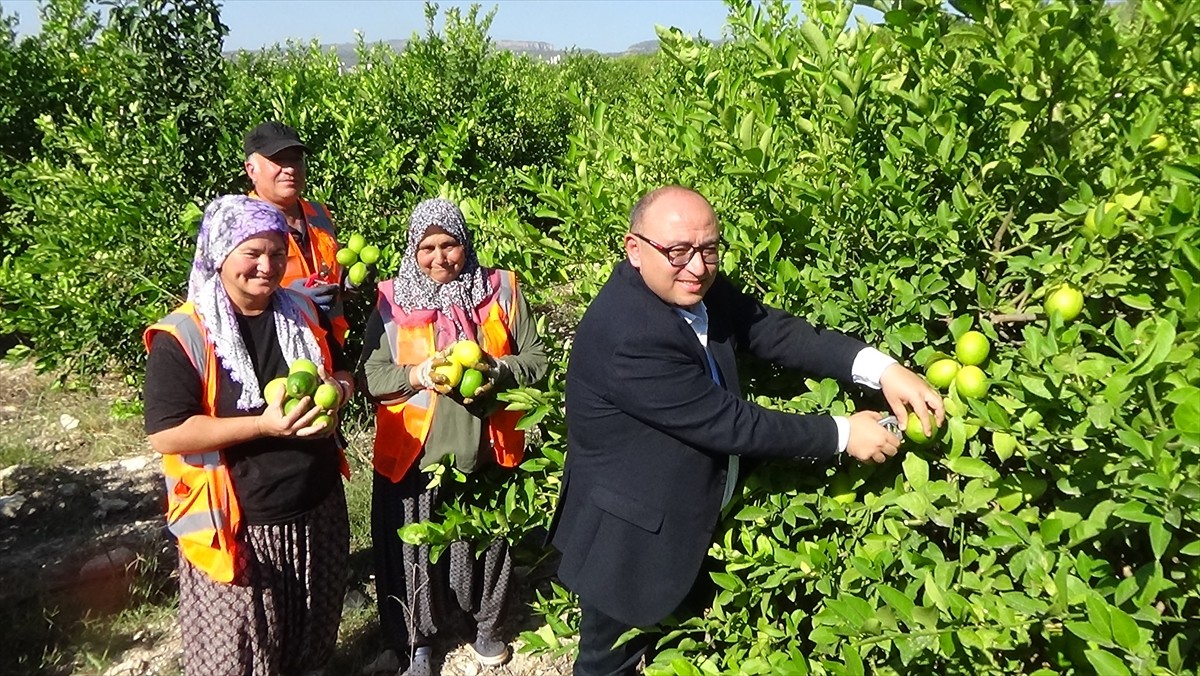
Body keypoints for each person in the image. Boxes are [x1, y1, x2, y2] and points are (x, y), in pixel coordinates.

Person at [547, 186, 946, 675]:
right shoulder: (626, 335)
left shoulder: (692, 288)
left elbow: (772, 329)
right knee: (608, 663)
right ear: (635, 249)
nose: (697, 266)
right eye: (678, 252)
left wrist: (880, 369)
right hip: (630, 536)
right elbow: (729, 424)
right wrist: (842, 434)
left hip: (691, 519)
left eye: (709, 249)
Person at [143, 195, 355, 676]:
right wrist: (263, 424)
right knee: (237, 659)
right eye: (252, 253)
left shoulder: (300, 310)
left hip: (316, 505)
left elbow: (342, 369)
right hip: (239, 523)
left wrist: (337, 393)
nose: (267, 266)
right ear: (221, 253)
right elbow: (169, 433)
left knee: (310, 647)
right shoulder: (186, 335)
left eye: (277, 254)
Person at [358, 198, 548, 676]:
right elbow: (371, 376)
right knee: (414, 552)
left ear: (466, 244)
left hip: (488, 447)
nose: (440, 257)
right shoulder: (391, 300)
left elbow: (537, 361)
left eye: (450, 245)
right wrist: (418, 374)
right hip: (415, 453)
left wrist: (497, 368)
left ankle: (486, 626)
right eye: (427, 247)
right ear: (412, 249)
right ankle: (417, 641)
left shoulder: (499, 289)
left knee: (486, 543)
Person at [244, 120, 352, 345]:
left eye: (295, 159)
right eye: (278, 160)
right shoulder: (239, 224)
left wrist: (348, 284)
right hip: (274, 347)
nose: (290, 169)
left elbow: (329, 277)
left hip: (330, 348)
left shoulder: (319, 214)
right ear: (251, 169)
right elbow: (229, 298)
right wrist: (288, 299)